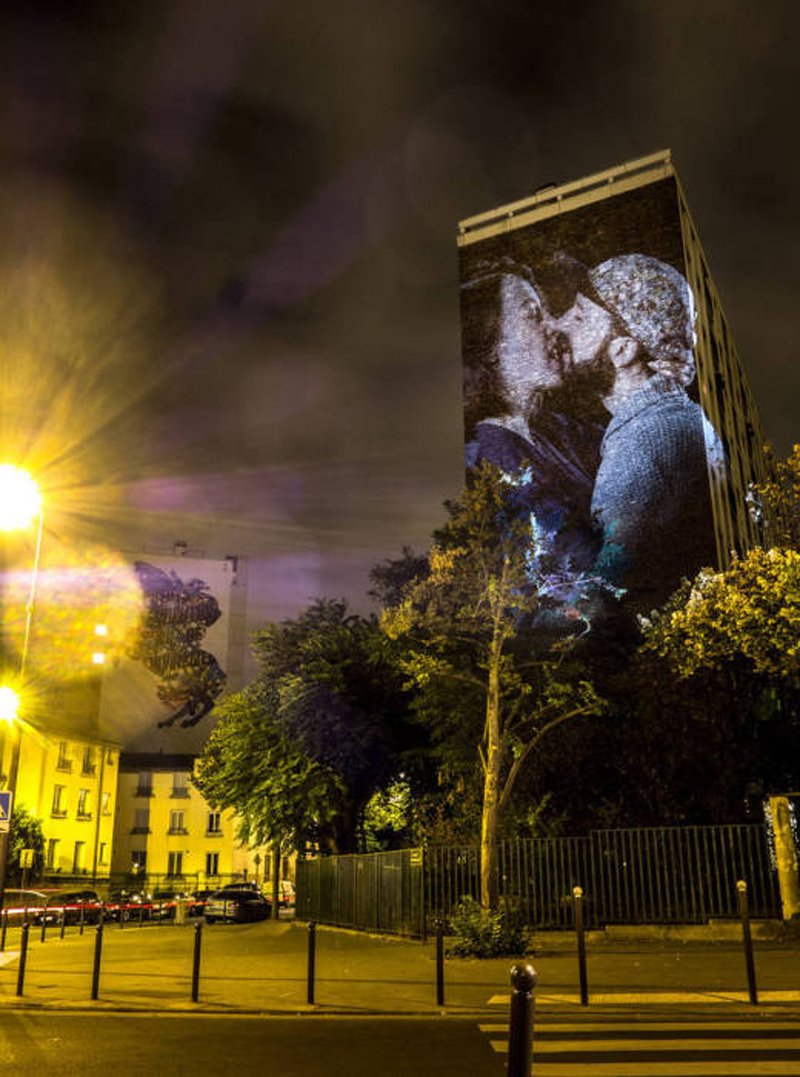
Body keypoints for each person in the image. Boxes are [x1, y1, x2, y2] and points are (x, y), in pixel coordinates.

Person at [550, 253, 726, 613]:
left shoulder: (641, 441)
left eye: (580, 316)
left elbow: (602, 590)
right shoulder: (676, 419)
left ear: (624, 349)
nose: (560, 324)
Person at [462, 258, 611, 576]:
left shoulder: (558, 430)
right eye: (533, 315)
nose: (555, 326)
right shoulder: (485, 456)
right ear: (493, 347)